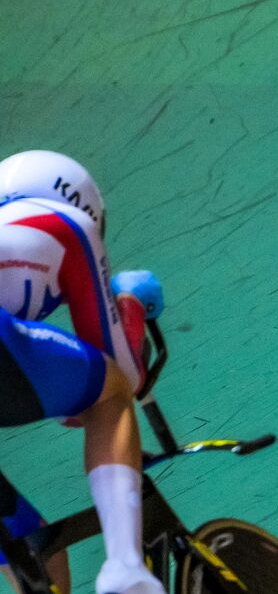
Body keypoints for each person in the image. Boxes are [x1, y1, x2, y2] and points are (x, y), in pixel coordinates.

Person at [0, 151, 165, 594]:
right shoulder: (65, 223)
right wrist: (128, 301)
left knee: (37, 553)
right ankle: (125, 568)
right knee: (109, 392)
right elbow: (124, 376)